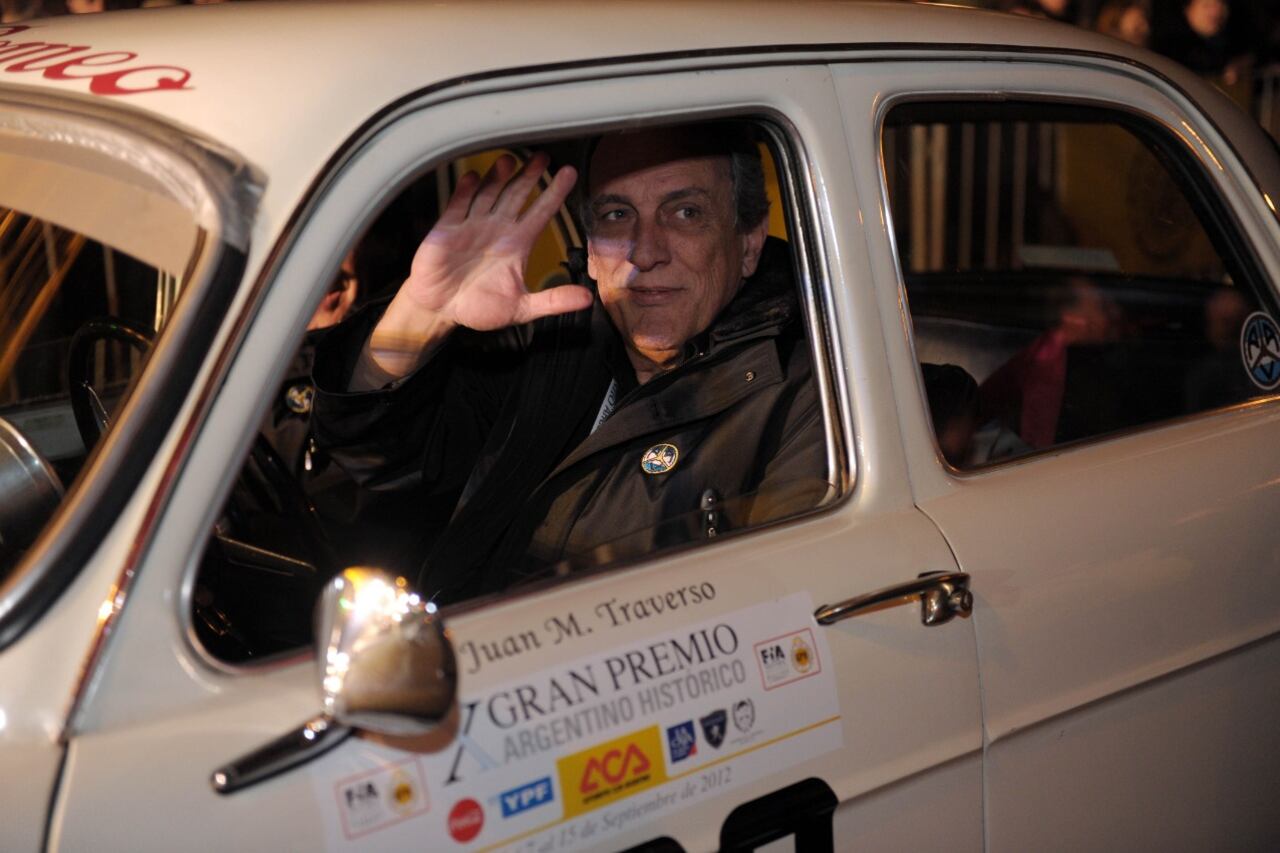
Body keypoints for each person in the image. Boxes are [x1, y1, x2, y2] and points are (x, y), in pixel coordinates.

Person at [311, 122, 825, 603]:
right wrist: (423, 314)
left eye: (685, 212)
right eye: (616, 215)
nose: (644, 252)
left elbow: (775, 620)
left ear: (749, 240)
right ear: (592, 249)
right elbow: (381, 459)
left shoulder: (824, 389)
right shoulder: (554, 340)